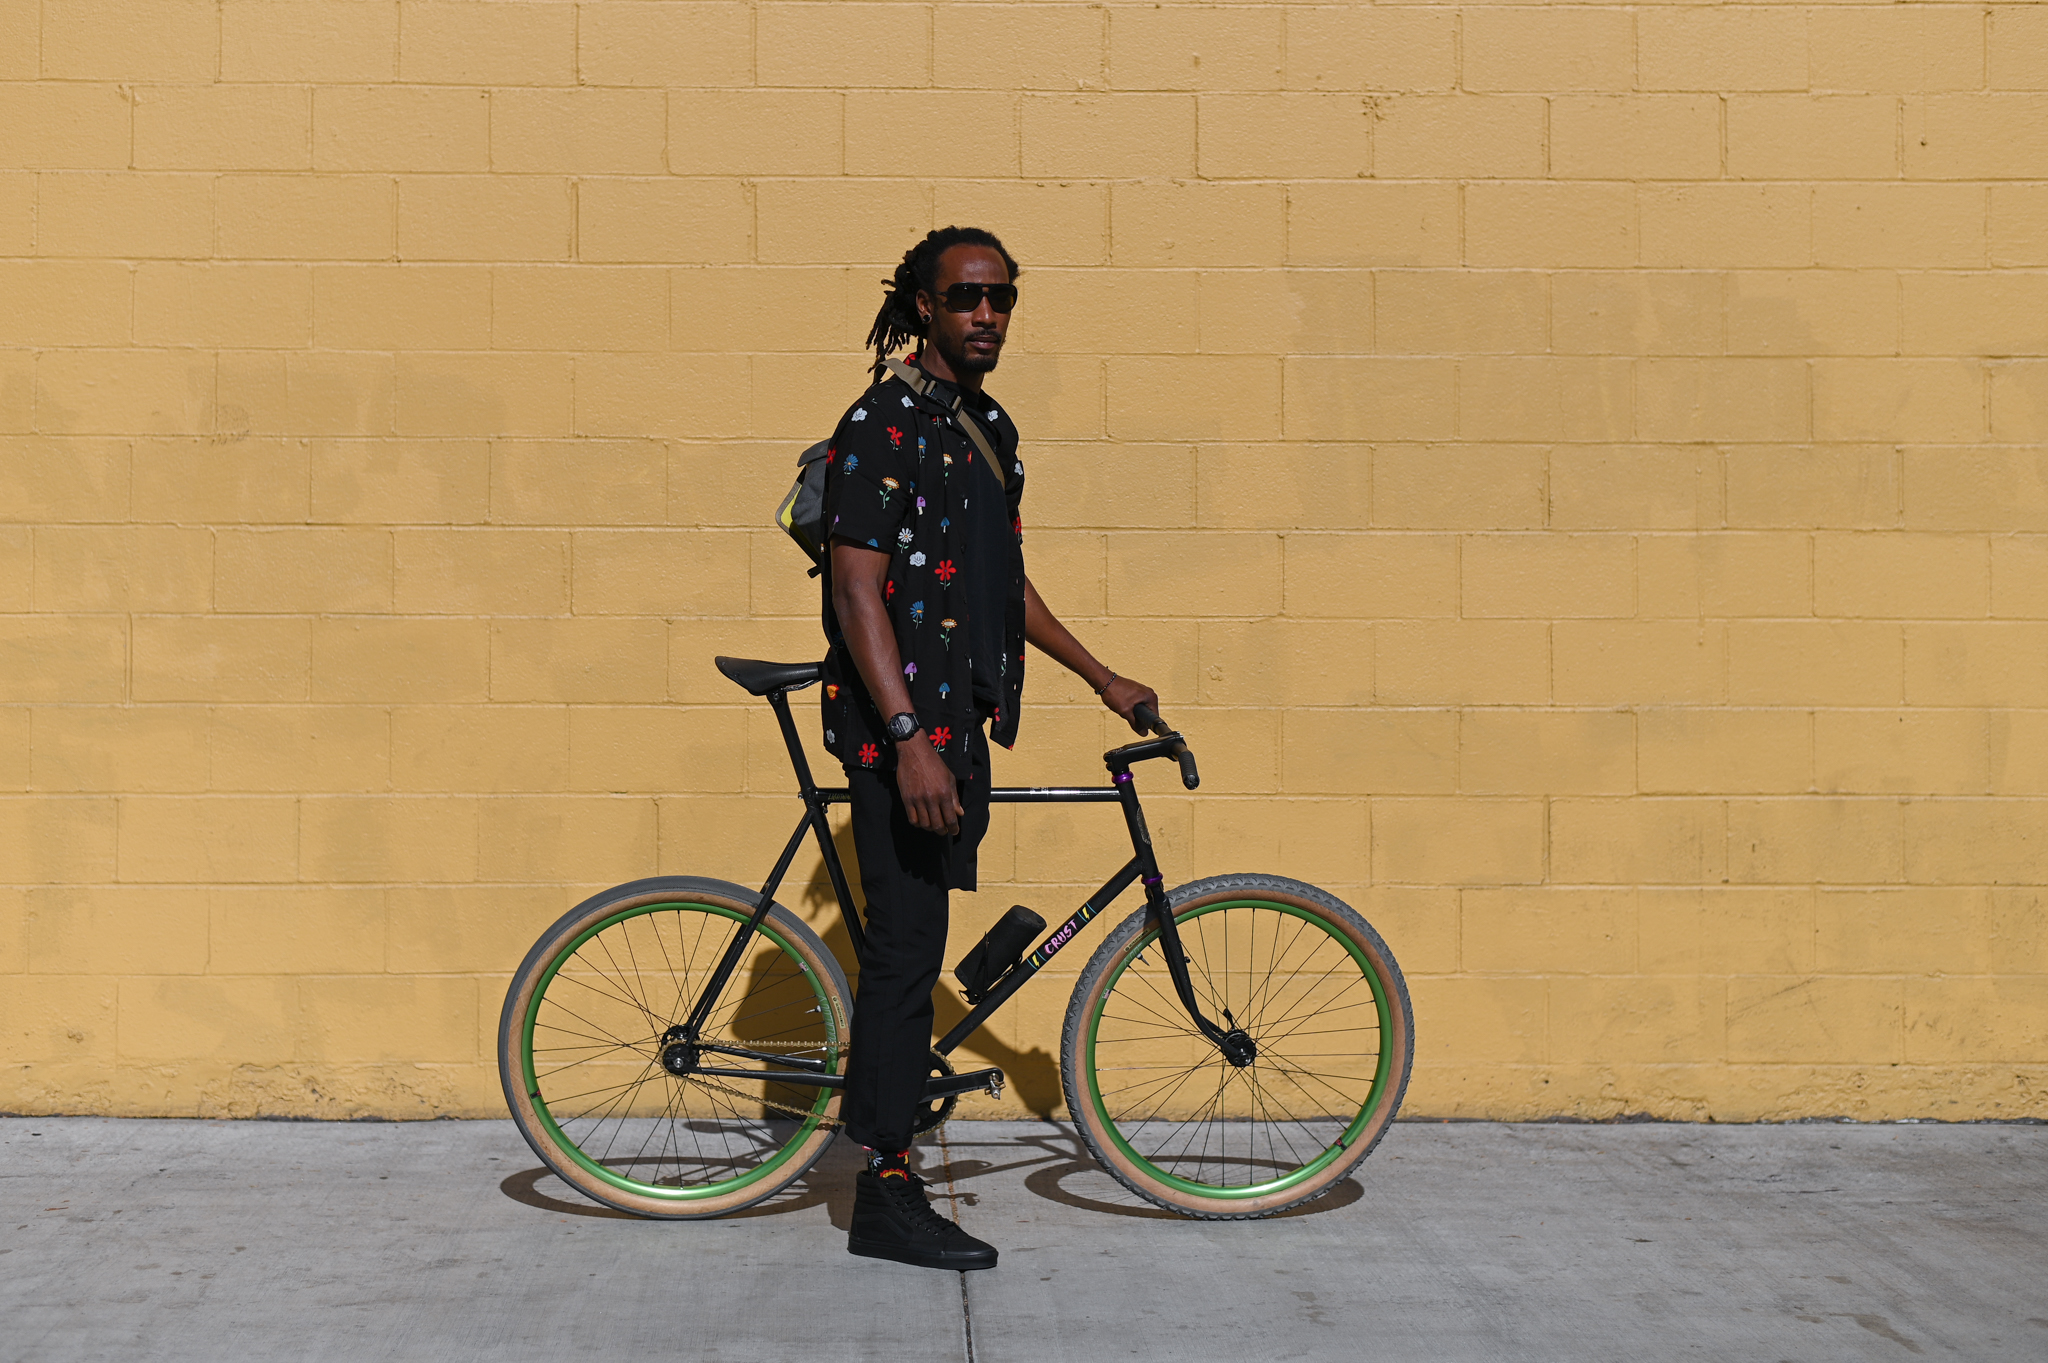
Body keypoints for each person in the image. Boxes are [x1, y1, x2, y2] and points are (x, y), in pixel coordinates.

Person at [819, 226, 1158, 1271]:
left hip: (956, 726)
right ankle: (882, 1187)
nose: (986, 314)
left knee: (916, 949)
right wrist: (910, 738)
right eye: (965, 295)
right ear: (923, 303)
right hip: (898, 736)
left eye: (1002, 298)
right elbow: (852, 587)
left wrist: (1100, 674)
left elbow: (1001, 585)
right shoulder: (880, 421)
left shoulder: (985, 428)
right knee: (903, 955)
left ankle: (890, 1146)